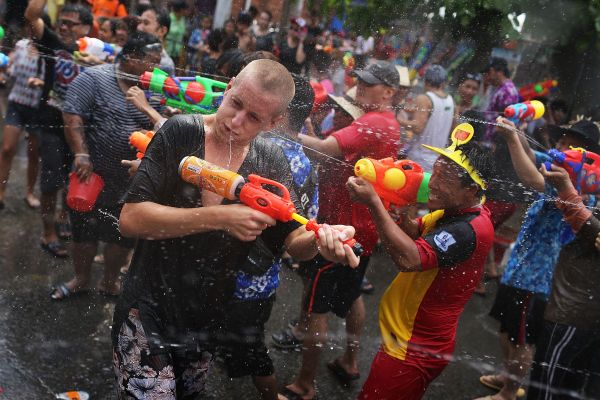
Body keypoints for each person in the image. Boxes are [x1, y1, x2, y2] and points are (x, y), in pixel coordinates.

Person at [112, 59, 359, 399]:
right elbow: (131, 218)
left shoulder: (271, 160)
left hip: (208, 317)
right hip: (147, 307)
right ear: (228, 87)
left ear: (275, 121)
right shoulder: (181, 131)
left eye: (254, 117)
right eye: (236, 103)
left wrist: (321, 240)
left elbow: (294, 241)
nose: (236, 121)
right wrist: (221, 218)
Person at [276, 61, 400, 400]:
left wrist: (280, 131)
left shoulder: (376, 120)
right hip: (363, 230)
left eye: (369, 84)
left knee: (317, 306)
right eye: (359, 80)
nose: (360, 87)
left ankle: (304, 384)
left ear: (389, 92)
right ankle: (349, 360)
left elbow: (329, 149)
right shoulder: (386, 123)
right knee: (353, 294)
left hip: (340, 230)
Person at [347, 124, 495, 400]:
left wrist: (374, 205)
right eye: (435, 172)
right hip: (405, 341)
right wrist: (399, 213)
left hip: (415, 349)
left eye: (444, 179)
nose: (432, 183)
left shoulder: (468, 228)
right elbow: (415, 233)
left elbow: (410, 258)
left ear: (472, 190)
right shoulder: (453, 211)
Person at [474, 118, 599, 400]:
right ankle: (509, 377)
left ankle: (509, 391)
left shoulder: (574, 184)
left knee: (522, 338)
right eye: (561, 142)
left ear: (586, 156)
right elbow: (532, 156)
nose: (561, 147)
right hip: (520, 266)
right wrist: (516, 133)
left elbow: (531, 178)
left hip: (538, 278)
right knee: (507, 329)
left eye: (571, 145)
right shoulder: (558, 164)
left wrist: (511, 139)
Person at [220, 73, 318, 400]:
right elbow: (304, 228)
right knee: (245, 343)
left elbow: (297, 230)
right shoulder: (305, 162)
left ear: (280, 114)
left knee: (251, 350)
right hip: (261, 278)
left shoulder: (259, 150)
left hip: (240, 278)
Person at [49, 32, 163, 300]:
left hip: (130, 179)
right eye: (150, 61)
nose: (154, 68)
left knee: (120, 235)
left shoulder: (155, 89)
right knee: (84, 231)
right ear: (130, 58)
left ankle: (110, 282)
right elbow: (71, 113)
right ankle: (81, 278)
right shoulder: (95, 78)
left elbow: (162, 127)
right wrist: (81, 154)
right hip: (91, 174)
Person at [25, 0, 94, 258]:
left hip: (81, 128)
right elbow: (31, 15)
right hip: (51, 123)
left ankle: (63, 218)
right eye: (61, 21)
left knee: (73, 178)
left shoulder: (96, 53)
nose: (63, 27)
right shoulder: (52, 41)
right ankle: (47, 233)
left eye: (71, 23)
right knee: (50, 181)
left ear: (86, 27)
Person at [527, 161, 600, 400]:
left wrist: (568, 192)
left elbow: (596, 234)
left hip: (576, 312)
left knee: (546, 386)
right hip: (571, 305)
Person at [0, 31, 46, 210]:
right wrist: (4, 73)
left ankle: (29, 192)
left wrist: (40, 83)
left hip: (36, 108)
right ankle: (1, 192)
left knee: (33, 153)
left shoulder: (49, 52)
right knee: (7, 148)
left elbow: (51, 80)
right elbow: (10, 69)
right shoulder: (21, 46)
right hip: (16, 104)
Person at [401, 64, 455, 173]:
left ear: (426, 82)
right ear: (443, 83)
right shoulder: (451, 101)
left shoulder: (424, 98)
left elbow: (418, 128)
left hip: (420, 159)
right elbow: (451, 127)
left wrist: (398, 120)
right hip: (438, 161)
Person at [136, 5, 175, 74]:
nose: (139, 27)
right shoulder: (134, 50)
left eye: (146, 23)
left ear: (162, 31)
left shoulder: (165, 64)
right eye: (139, 22)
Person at [164, 0, 188, 65]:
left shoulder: (183, 19)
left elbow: (182, 36)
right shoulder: (168, 18)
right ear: (181, 10)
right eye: (185, 9)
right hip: (166, 51)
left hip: (178, 53)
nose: (187, 11)